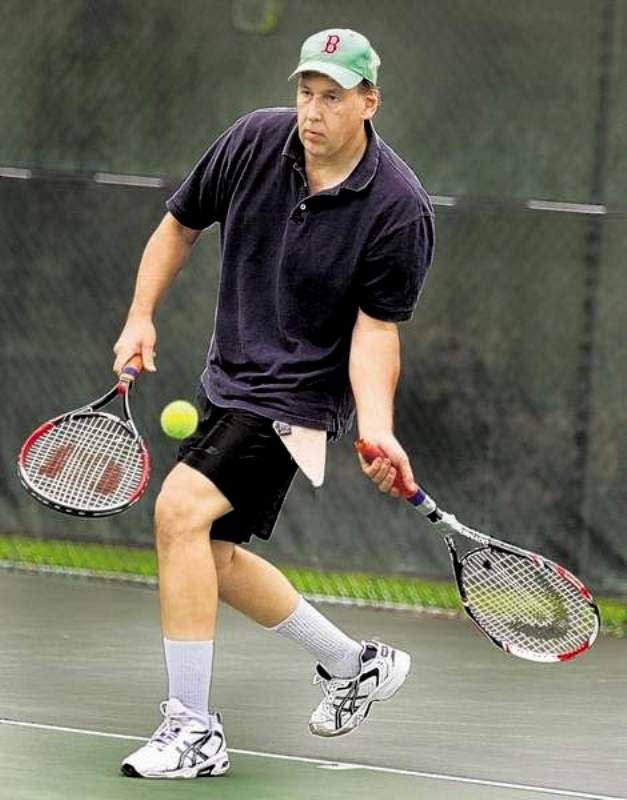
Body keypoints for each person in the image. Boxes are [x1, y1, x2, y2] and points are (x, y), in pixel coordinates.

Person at [114, 28, 435, 779]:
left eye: (331, 96)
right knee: (213, 556)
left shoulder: (398, 209)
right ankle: (352, 663)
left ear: (368, 101)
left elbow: (375, 332)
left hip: (295, 400)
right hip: (227, 378)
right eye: (305, 92)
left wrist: (377, 427)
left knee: (178, 513)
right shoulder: (253, 141)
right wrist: (140, 313)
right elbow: (179, 226)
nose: (312, 111)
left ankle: (191, 728)